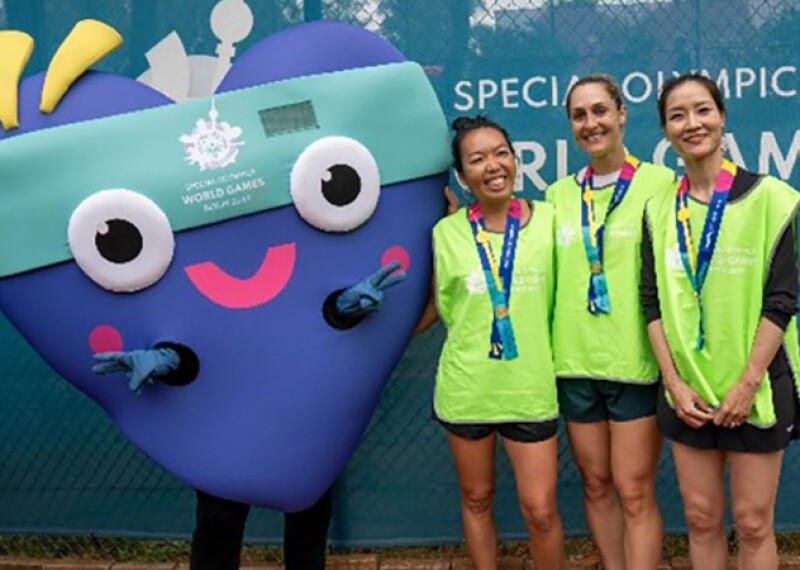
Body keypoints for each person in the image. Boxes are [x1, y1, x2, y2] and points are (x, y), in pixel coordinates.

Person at [642, 73, 800, 570]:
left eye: (702, 110)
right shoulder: (659, 209)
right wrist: (674, 383)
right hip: (688, 392)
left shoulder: (772, 198)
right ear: (666, 131)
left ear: (722, 116)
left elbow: (782, 300)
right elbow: (652, 304)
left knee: (753, 524)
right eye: (677, 115)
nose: (692, 124)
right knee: (702, 518)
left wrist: (746, 384)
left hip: (755, 386)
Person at [416, 116, 565, 570]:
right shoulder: (446, 233)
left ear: (515, 160)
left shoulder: (550, 221)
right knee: (477, 498)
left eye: (501, 152)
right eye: (477, 159)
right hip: (467, 391)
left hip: (531, 389)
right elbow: (435, 307)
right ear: (462, 177)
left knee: (540, 512)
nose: (493, 165)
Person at [545, 74, 673, 570]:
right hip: (575, 362)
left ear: (622, 114)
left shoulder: (661, 184)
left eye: (600, 110)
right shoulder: (556, 196)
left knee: (634, 489)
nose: (591, 123)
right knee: (596, 484)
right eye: (579, 115)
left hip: (635, 363)